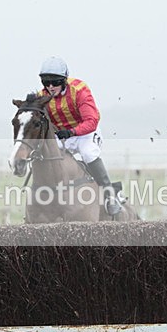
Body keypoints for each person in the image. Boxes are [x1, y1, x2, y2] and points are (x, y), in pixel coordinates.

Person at [37, 56, 121, 215]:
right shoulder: (43, 96)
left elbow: (91, 121)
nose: (50, 86)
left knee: (88, 153)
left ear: (63, 81)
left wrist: (72, 132)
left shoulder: (80, 90)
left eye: (54, 82)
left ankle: (110, 194)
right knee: (47, 153)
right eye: (45, 82)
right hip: (63, 135)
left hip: (86, 133)